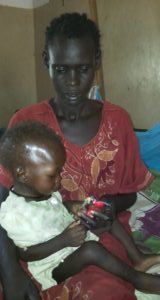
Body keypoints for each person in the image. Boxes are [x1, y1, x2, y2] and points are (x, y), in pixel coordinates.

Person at [0, 12, 156, 300]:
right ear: (46, 60)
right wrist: (10, 270)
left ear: (96, 61)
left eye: (83, 69)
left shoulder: (119, 121)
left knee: (102, 290)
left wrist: (106, 205)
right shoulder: (26, 123)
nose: (72, 82)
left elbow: (131, 193)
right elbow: (3, 200)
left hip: (99, 235)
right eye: (61, 69)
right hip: (35, 241)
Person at [0, 120, 160, 297]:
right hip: (54, 266)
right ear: (23, 174)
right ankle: (137, 279)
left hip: (69, 235)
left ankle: (137, 258)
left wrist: (73, 207)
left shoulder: (41, 191)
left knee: (101, 209)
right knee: (92, 249)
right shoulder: (14, 214)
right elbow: (25, 254)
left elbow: (58, 207)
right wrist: (63, 240)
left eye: (60, 172)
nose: (59, 179)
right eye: (53, 175)